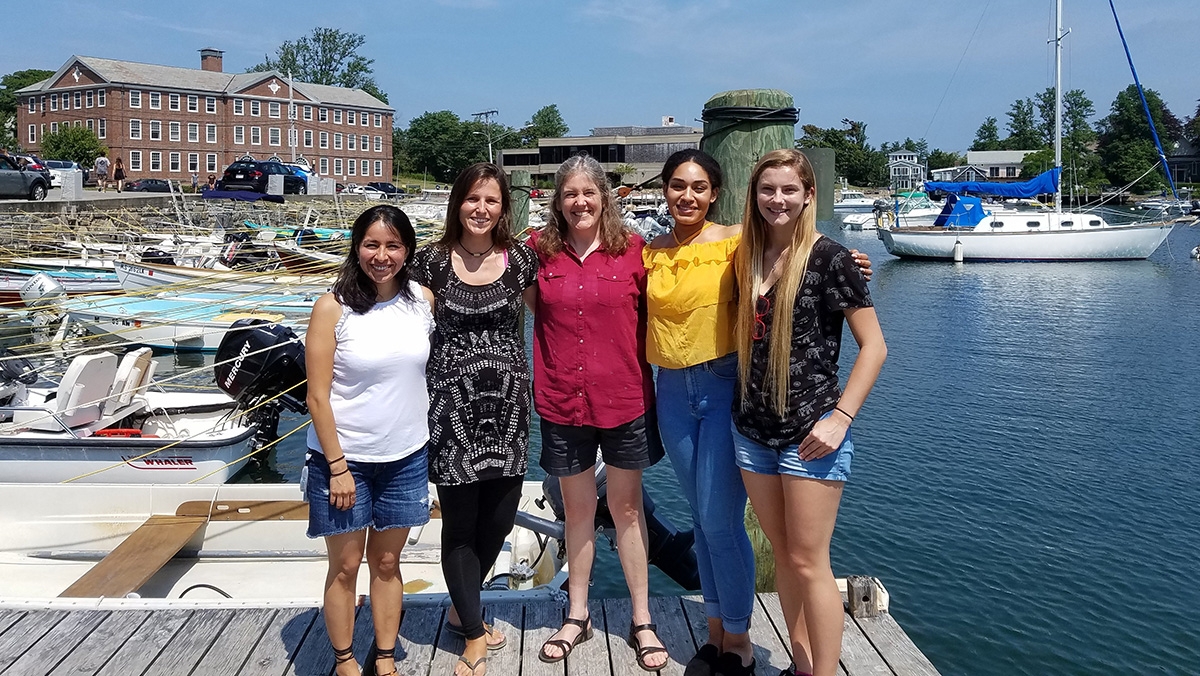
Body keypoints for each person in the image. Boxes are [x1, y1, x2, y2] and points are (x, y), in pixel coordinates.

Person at [644, 149, 873, 676]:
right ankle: (720, 634)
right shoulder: (650, 250)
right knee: (703, 520)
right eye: (677, 185)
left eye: (699, 186)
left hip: (730, 387)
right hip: (680, 394)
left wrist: (852, 261)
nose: (687, 195)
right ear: (664, 190)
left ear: (717, 193)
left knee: (726, 523)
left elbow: (810, 257)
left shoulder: (736, 243)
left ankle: (742, 641)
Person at [733, 149, 886, 676]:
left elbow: (875, 347)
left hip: (811, 433)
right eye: (767, 189)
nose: (777, 200)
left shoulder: (832, 258)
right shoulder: (745, 255)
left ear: (808, 196)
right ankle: (800, 664)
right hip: (752, 432)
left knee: (809, 561)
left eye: (788, 190)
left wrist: (841, 417)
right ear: (753, 196)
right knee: (782, 553)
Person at [528, 155, 667, 671]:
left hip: (625, 400)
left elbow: (704, 276)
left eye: (589, 192)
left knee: (628, 509)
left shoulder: (636, 252)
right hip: (563, 400)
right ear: (557, 202)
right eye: (570, 194)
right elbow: (477, 267)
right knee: (578, 509)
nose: (580, 202)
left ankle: (642, 618)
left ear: (604, 196)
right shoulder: (536, 253)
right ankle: (578, 614)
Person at [410, 163, 538, 676]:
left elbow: (551, 320)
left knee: (500, 521)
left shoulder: (522, 260)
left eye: (492, 200)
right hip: (451, 412)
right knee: (459, 527)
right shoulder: (430, 263)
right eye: (472, 199)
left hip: (508, 412)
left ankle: (462, 608)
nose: (481, 209)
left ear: (504, 207)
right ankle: (472, 632)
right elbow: (400, 327)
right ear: (457, 203)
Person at [304, 204, 436, 676]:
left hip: (406, 456)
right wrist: (337, 467)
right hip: (344, 461)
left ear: (407, 250)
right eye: (372, 245)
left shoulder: (422, 299)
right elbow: (317, 396)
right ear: (357, 247)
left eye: (393, 246)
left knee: (386, 561)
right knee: (345, 566)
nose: (382, 256)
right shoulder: (332, 307)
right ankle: (343, 659)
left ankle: (384, 656)